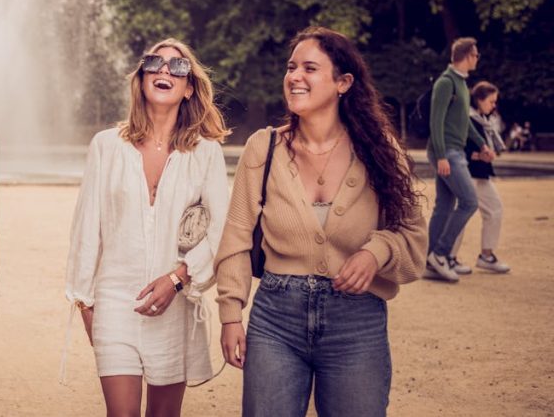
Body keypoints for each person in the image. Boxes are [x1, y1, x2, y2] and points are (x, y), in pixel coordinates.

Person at [214, 27, 427, 416]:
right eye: (291, 67)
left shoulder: (380, 150)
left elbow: (413, 235)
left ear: (343, 82)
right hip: (275, 320)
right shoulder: (263, 148)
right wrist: (231, 314)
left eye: (310, 68)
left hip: (357, 322)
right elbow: (236, 238)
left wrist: (375, 253)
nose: (295, 76)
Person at [65, 38, 231, 416]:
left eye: (177, 66)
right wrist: (86, 303)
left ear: (189, 88)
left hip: (176, 306)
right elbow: (86, 228)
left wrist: (177, 279)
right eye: (154, 63)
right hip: (115, 303)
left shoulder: (205, 153)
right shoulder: (106, 146)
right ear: (141, 79)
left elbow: (220, 229)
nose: (164, 71)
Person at [425, 37, 494, 282]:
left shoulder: (462, 84)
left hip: (455, 151)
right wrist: (441, 156)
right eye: (476, 54)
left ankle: (428, 260)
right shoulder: (446, 83)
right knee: (469, 202)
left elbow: (463, 123)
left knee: (444, 206)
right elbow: (436, 121)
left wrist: (483, 144)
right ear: (466, 55)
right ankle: (441, 254)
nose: (478, 58)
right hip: (447, 153)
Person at [450, 81, 511, 274]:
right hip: (469, 174)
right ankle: (448, 257)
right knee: (464, 213)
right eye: (491, 101)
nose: (494, 105)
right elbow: (458, 148)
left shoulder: (483, 120)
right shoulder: (468, 119)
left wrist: (486, 154)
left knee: (493, 210)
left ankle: (485, 255)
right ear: (479, 99)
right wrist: (479, 155)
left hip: (479, 174)